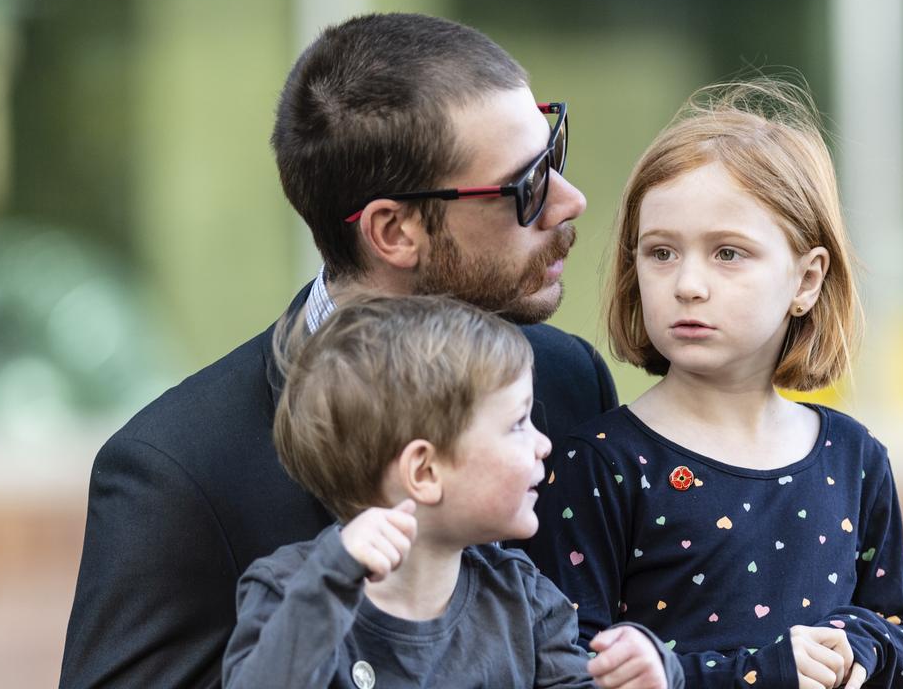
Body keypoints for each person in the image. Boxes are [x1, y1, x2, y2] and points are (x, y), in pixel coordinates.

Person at [62, 13, 616, 688]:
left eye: (553, 151)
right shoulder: (177, 470)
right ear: (393, 231)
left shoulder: (567, 380)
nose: (570, 200)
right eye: (525, 187)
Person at [524, 79, 903, 689]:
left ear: (807, 280)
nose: (688, 283)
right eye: (661, 253)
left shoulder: (853, 458)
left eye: (728, 253)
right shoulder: (602, 463)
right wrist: (757, 673)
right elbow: (562, 666)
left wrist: (859, 651)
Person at [221, 293, 682, 689]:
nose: (544, 443)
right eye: (518, 423)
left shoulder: (523, 599)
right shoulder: (293, 590)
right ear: (424, 471)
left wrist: (649, 671)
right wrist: (332, 577)